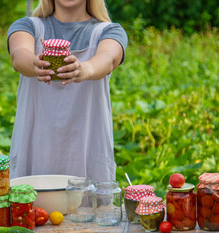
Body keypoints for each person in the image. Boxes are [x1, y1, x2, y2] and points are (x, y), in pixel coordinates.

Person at [7, 0, 128, 182]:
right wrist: (35, 64)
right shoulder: (27, 26)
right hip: (33, 158)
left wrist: (84, 69)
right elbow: (19, 55)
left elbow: (108, 59)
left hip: (87, 161)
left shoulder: (109, 32)